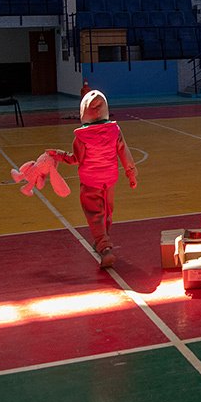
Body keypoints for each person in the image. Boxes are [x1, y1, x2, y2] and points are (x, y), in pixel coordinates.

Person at [49, 89, 137, 268]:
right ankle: (103, 239)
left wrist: (58, 155)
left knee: (94, 213)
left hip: (90, 181)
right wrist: (131, 172)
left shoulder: (81, 137)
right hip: (110, 178)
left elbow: (75, 159)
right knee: (107, 210)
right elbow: (124, 152)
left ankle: (104, 248)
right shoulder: (115, 131)